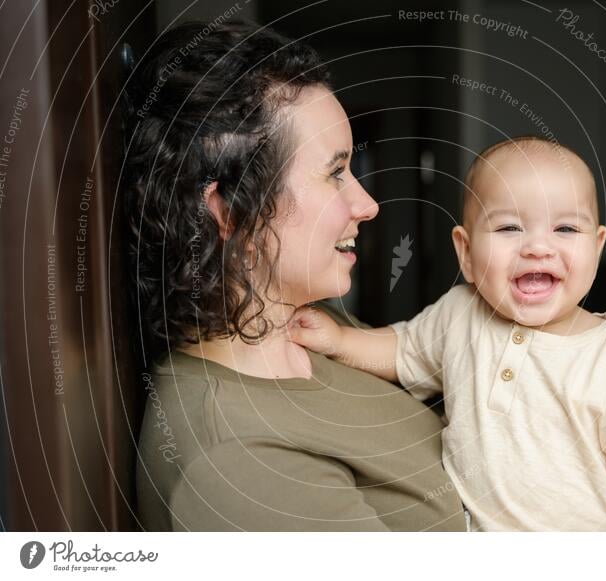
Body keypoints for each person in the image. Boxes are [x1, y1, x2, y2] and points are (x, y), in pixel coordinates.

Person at [125, 22, 466, 531]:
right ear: (228, 212)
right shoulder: (232, 458)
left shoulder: (315, 323)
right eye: (335, 173)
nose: (368, 204)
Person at [291, 136, 606, 531]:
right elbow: (403, 351)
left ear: (596, 246)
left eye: (566, 230)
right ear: (465, 253)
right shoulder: (460, 314)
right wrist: (340, 341)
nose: (538, 247)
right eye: (508, 228)